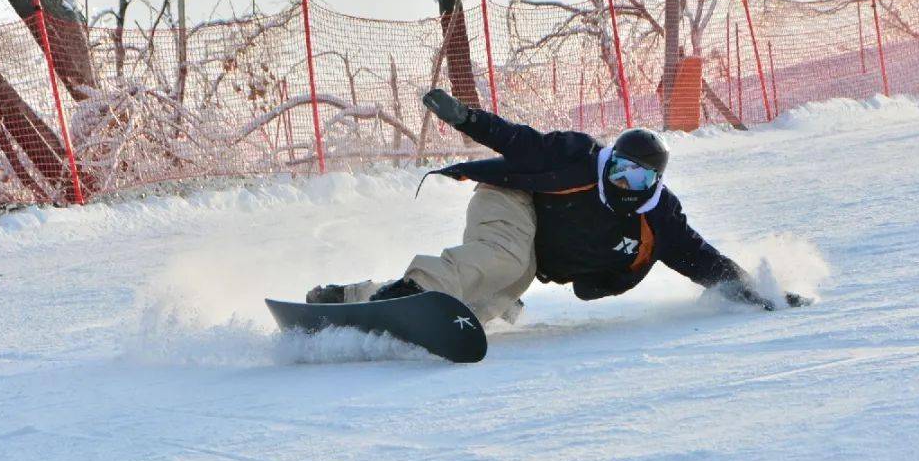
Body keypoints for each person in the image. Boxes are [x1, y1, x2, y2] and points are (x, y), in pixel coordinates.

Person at [306, 89, 804, 322]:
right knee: (502, 259)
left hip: (536, 256)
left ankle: (355, 299)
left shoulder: (660, 220)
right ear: (609, 161)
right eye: (619, 169)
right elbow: (518, 141)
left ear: (654, 181)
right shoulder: (578, 157)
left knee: (486, 304)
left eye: (638, 176)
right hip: (512, 201)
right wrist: (465, 119)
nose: (624, 182)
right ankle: (411, 289)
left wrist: (764, 293)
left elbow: (702, 260)